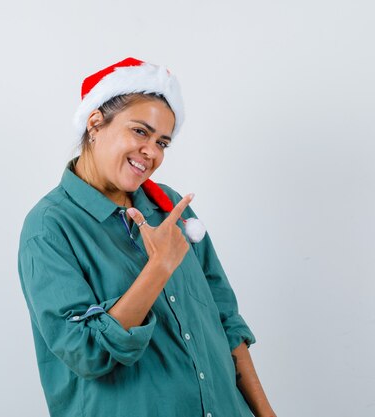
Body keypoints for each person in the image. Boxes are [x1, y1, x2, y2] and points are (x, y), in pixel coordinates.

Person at [17, 57, 276, 417]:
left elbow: (227, 323)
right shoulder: (49, 228)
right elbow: (87, 353)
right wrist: (158, 268)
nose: (152, 152)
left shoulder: (171, 208)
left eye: (163, 143)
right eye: (140, 131)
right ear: (95, 122)